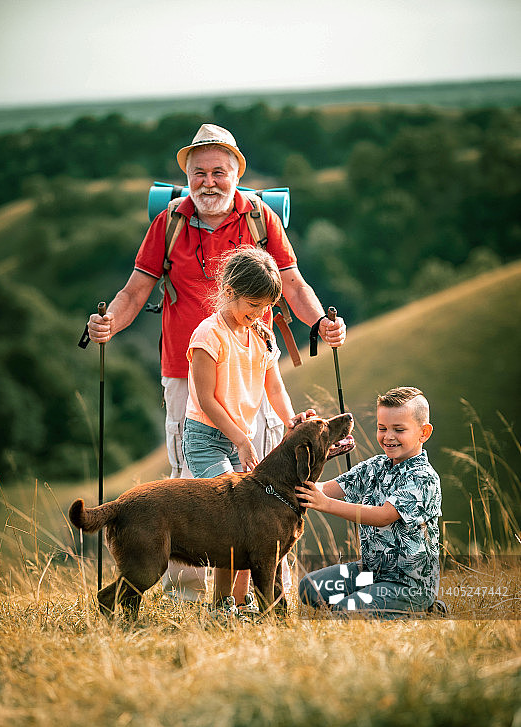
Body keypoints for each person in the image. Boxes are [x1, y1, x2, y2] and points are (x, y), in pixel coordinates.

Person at [87, 123, 346, 599]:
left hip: (250, 371)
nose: (209, 181)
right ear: (187, 177)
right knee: (189, 488)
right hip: (185, 373)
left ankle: (262, 598)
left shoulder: (260, 218)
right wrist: (107, 325)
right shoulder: (169, 223)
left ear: (236, 173)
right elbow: (134, 291)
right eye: (199, 173)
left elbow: (293, 284)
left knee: (270, 487)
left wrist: (321, 324)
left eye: (219, 172)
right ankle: (192, 600)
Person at [183, 246, 315, 609]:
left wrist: (291, 420)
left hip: (241, 437)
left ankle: (239, 604)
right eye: (252, 305)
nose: (259, 314)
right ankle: (221, 605)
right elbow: (206, 399)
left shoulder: (260, 335)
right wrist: (241, 439)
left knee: (250, 522)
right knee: (231, 520)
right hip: (207, 438)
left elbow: (274, 386)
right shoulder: (208, 336)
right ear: (229, 292)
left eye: (266, 307)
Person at [297, 387, 442, 618]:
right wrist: (308, 434)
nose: (388, 436)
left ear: (423, 433)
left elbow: (384, 516)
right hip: (370, 572)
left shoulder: (423, 477)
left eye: (399, 429)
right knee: (308, 588)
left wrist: (325, 504)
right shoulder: (374, 466)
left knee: (347, 612)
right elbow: (326, 488)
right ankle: (372, 599)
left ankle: (421, 607)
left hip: (407, 583)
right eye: (382, 428)